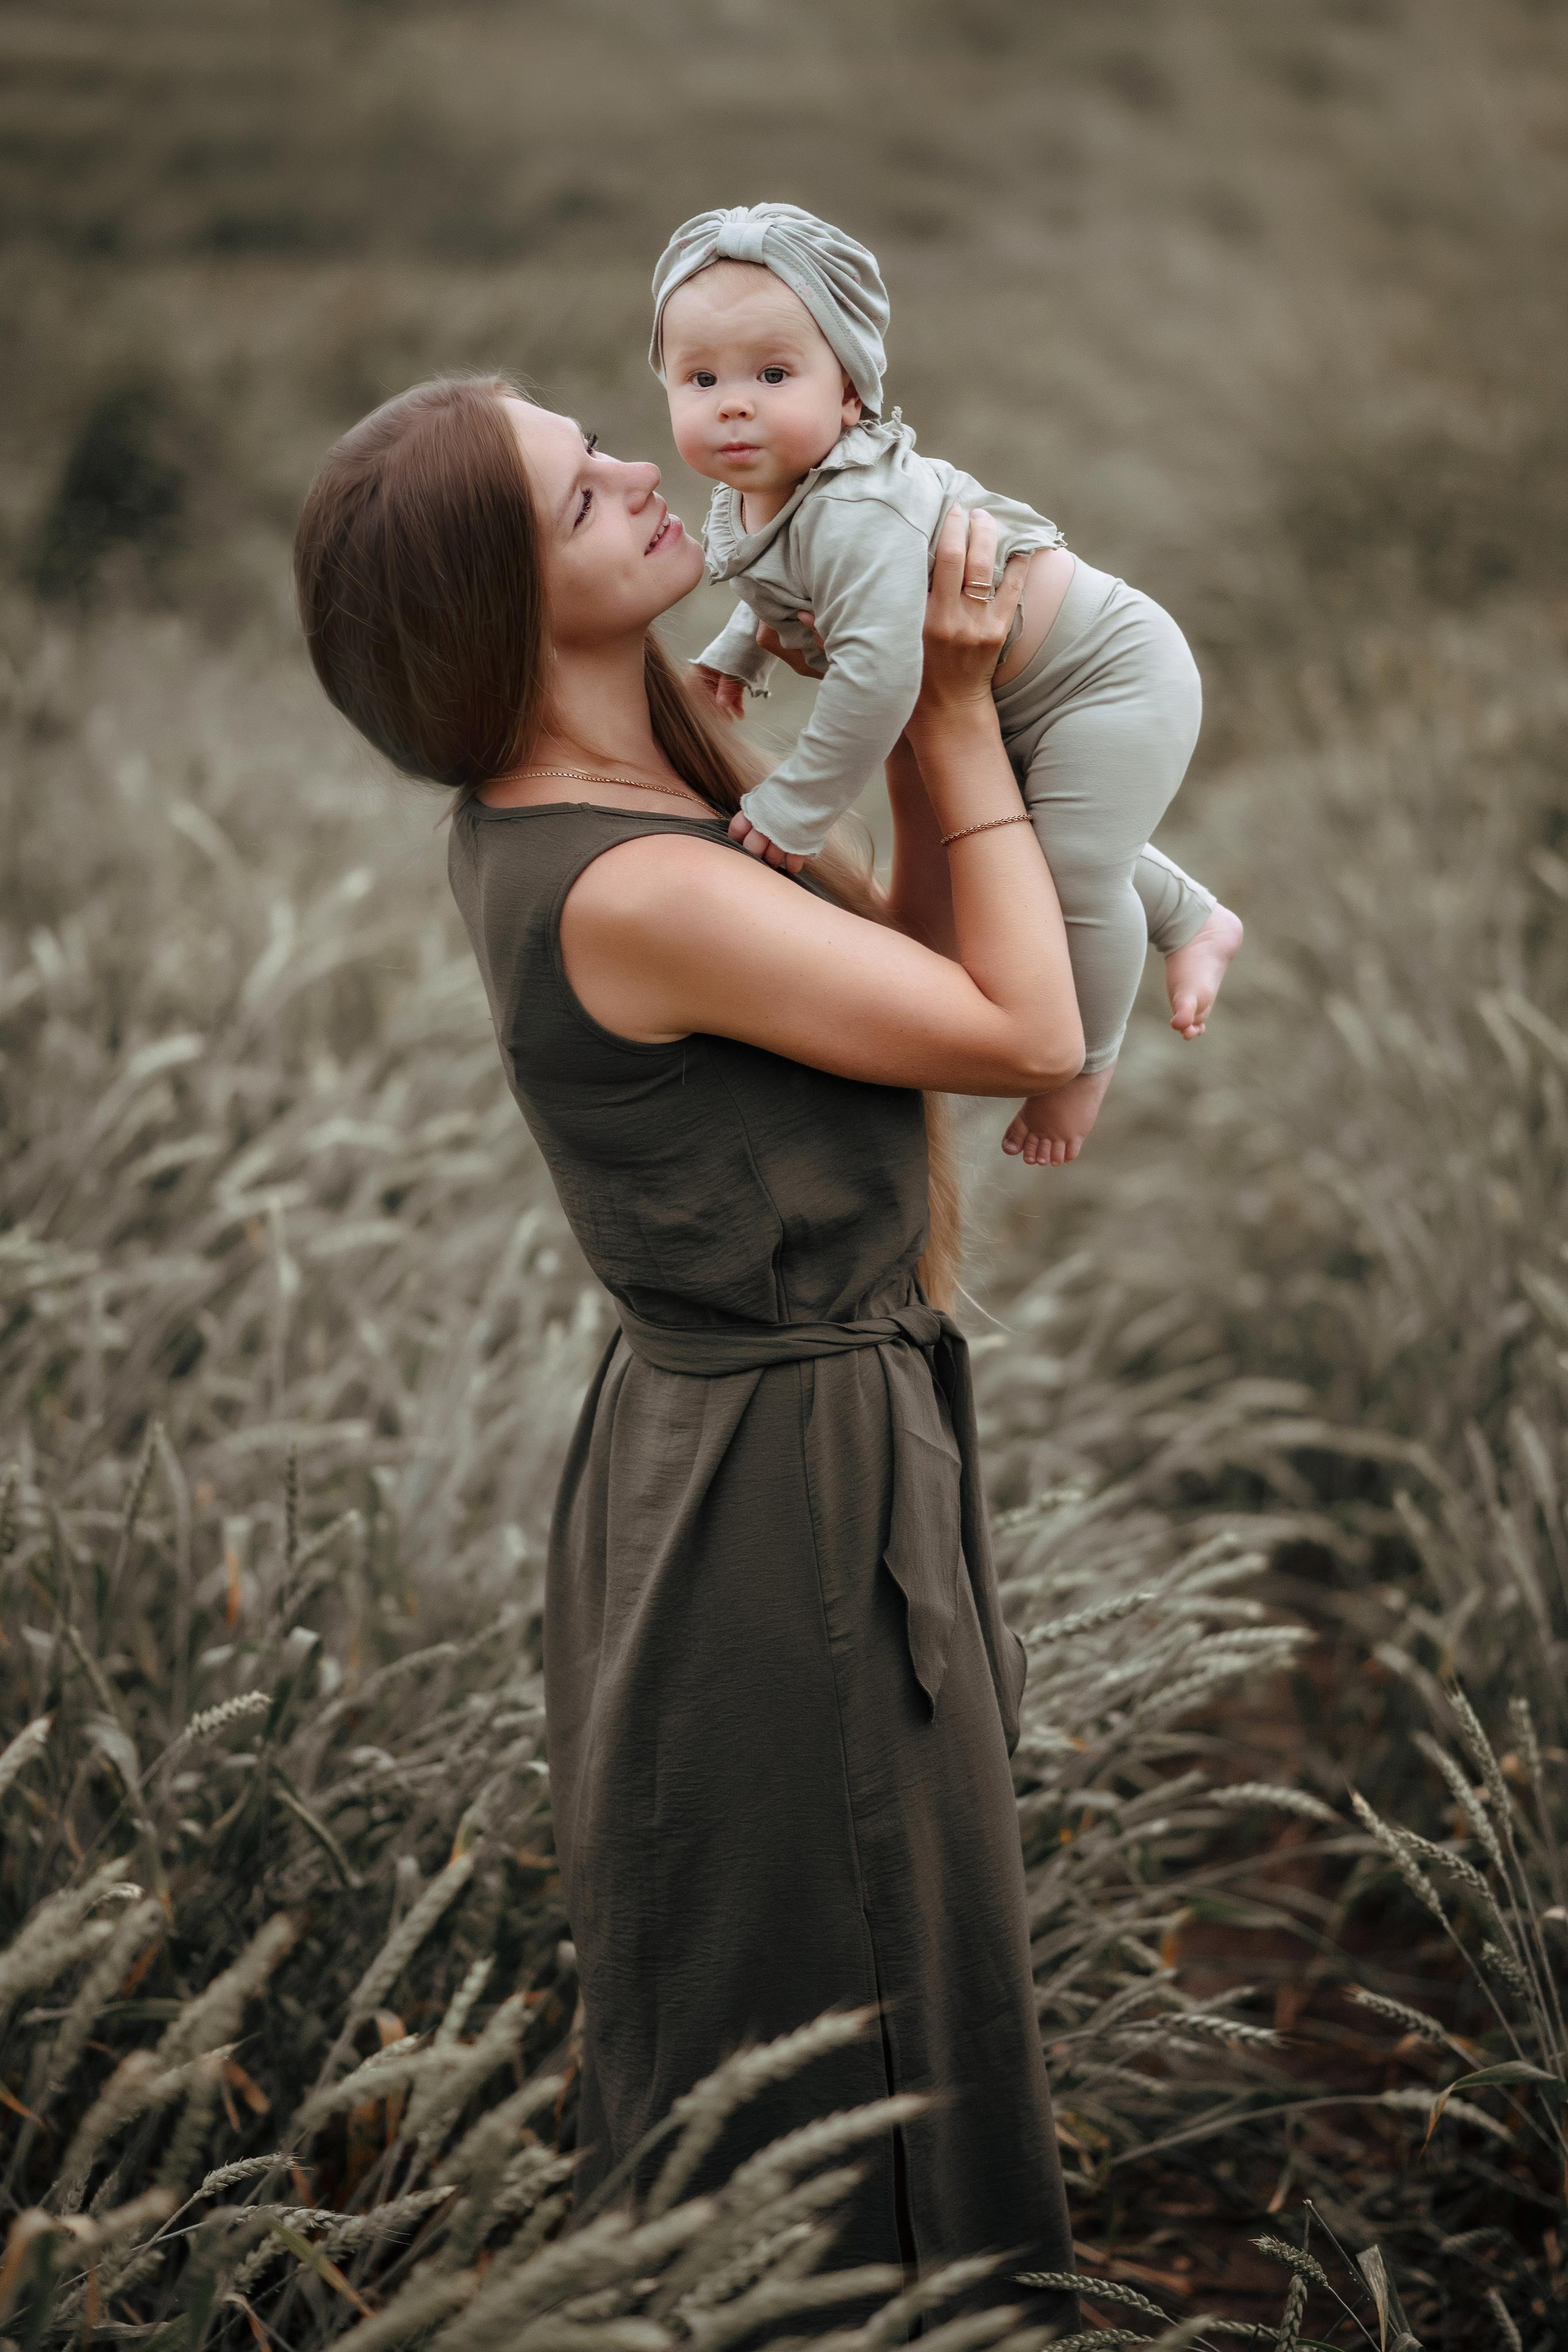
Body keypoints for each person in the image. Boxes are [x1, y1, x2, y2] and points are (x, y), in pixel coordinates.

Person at [294, 373, 1081, 2336]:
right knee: (833, 2031)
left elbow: (903, 989)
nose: (646, 466)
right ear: (504, 598)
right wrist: (958, 717)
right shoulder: (630, 882)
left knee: (871, 1988)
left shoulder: (643, 789)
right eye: (582, 490)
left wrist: (889, 707)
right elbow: (1019, 1036)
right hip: (780, 1508)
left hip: (780, 1453)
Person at [651, 201, 1243, 1166]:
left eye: (773, 374)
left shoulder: (857, 508)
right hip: (1023, 683)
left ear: (851, 397)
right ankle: (1195, 919)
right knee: (1052, 846)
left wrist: (800, 803)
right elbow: (782, 586)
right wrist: (742, 648)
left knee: (1073, 874)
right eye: (700, 377)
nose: (733, 402)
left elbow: (881, 678)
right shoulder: (758, 491)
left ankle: (1084, 1068)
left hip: (1109, 677)